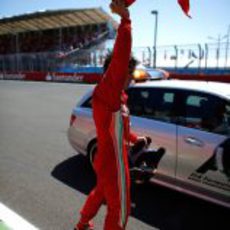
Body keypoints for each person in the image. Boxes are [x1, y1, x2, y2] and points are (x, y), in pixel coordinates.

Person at [74, 0, 144, 229]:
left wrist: (135, 140)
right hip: (113, 162)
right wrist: (126, 20)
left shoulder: (119, 97)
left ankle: (82, 223)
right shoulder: (110, 90)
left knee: (100, 194)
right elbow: (122, 56)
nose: (133, 78)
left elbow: (120, 128)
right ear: (118, 72)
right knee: (120, 207)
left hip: (108, 157)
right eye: (130, 74)